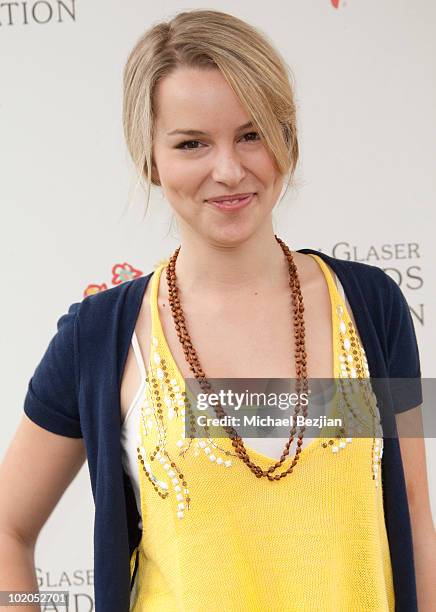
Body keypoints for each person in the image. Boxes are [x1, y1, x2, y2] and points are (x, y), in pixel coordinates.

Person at [1, 9, 434, 612]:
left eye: (251, 134)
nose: (228, 169)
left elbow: (414, 510)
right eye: (192, 143)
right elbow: (8, 529)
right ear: (150, 157)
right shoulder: (99, 337)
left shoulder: (372, 305)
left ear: (288, 139)